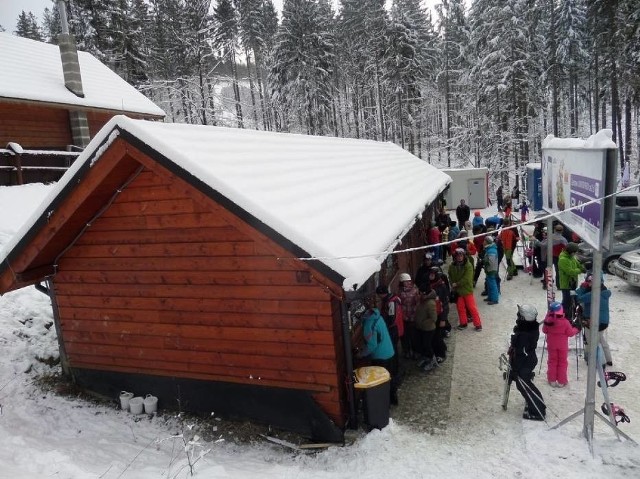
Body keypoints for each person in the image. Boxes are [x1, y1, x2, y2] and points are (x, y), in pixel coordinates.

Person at [358, 295, 398, 404]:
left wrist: (361, 354)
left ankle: (384, 402)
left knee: (382, 380)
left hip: (381, 356)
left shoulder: (368, 324)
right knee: (390, 376)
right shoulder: (377, 316)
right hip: (390, 351)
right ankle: (393, 398)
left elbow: (372, 345)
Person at [509, 304, 546, 421]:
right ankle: (533, 404)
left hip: (525, 362)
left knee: (523, 384)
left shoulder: (524, 335)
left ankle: (538, 410)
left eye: (519, 315)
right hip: (528, 359)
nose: (517, 317)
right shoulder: (528, 328)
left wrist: (515, 369)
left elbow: (522, 353)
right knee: (524, 383)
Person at [575, 272, 613, 366]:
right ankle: (609, 359)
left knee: (591, 341)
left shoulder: (593, 294)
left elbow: (579, 298)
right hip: (603, 322)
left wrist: (582, 288)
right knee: (601, 339)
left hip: (592, 321)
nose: (588, 283)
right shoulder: (604, 291)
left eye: (589, 282)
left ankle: (596, 360)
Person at [542, 302, 580, 387]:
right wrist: (576, 329)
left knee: (552, 361)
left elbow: (544, 330)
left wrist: (547, 316)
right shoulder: (565, 322)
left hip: (551, 345)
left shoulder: (548, 321)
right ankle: (561, 381)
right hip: (562, 346)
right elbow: (570, 333)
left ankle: (552, 380)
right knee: (562, 362)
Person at [376, 284, 403, 396]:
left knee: (393, 350)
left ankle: (395, 373)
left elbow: (391, 318)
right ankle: (395, 370)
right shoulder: (392, 298)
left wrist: (384, 327)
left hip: (393, 329)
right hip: (396, 328)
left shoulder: (391, 302)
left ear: (381, 294)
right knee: (394, 349)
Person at [448, 248, 482, 331]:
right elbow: (450, 276)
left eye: (461, 255)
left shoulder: (468, 266)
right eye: (458, 256)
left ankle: (478, 324)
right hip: (458, 292)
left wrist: (456, 284)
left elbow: (467, 278)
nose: (459, 257)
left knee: (471, 308)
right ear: (455, 257)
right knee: (460, 308)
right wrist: (452, 283)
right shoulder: (452, 266)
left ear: (464, 256)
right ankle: (463, 323)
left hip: (466, 291)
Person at [414, 283, 438, 372]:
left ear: (424, 293)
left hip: (428, 328)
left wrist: (423, 322)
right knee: (422, 345)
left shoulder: (430, 303)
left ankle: (432, 360)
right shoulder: (422, 300)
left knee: (427, 345)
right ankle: (426, 358)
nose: (418, 294)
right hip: (421, 327)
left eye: (419, 292)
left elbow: (434, 318)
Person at [557, 242, 585, 316]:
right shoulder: (563, 259)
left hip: (573, 283)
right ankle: (563, 315)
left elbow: (578, 264)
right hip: (566, 285)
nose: (575, 254)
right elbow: (570, 272)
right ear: (571, 252)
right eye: (575, 252)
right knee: (567, 301)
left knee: (575, 299)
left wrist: (583, 267)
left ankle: (573, 314)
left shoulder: (571, 257)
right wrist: (580, 270)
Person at [429, 266, 451, 353]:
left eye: (432, 274)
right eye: (430, 274)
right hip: (432, 314)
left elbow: (445, 304)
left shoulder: (441, 286)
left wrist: (443, 319)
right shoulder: (430, 284)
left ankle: (441, 353)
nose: (431, 276)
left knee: (438, 336)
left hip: (439, 315)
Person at [398, 273, 419, 360]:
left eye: (408, 281)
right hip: (404, 318)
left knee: (413, 336)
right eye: (405, 281)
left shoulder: (415, 290)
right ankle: (406, 351)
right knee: (404, 336)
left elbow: (418, 302)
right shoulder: (400, 291)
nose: (407, 283)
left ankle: (415, 351)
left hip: (413, 317)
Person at [482, 235, 500, 305]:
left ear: (487, 242)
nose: (483, 242)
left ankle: (495, 299)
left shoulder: (491, 250)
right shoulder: (489, 248)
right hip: (489, 269)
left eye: (484, 241)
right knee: (489, 284)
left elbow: (491, 262)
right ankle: (490, 297)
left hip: (491, 270)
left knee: (492, 284)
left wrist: (484, 261)